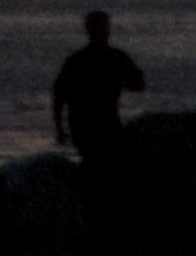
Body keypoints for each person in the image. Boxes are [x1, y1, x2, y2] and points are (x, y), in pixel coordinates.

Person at [49, 10, 145, 167]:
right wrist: (117, 83)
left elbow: (58, 97)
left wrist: (60, 129)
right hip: (104, 126)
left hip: (83, 127)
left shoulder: (76, 60)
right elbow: (139, 84)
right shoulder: (116, 57)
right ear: (107, 30)